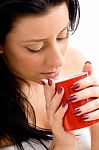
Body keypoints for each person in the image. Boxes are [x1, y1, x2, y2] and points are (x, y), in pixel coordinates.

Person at [0, 0, 99, 150]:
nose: (59, 60)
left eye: (62, 36)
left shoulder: (75, 63)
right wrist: (62, 145)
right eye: (36, 47)